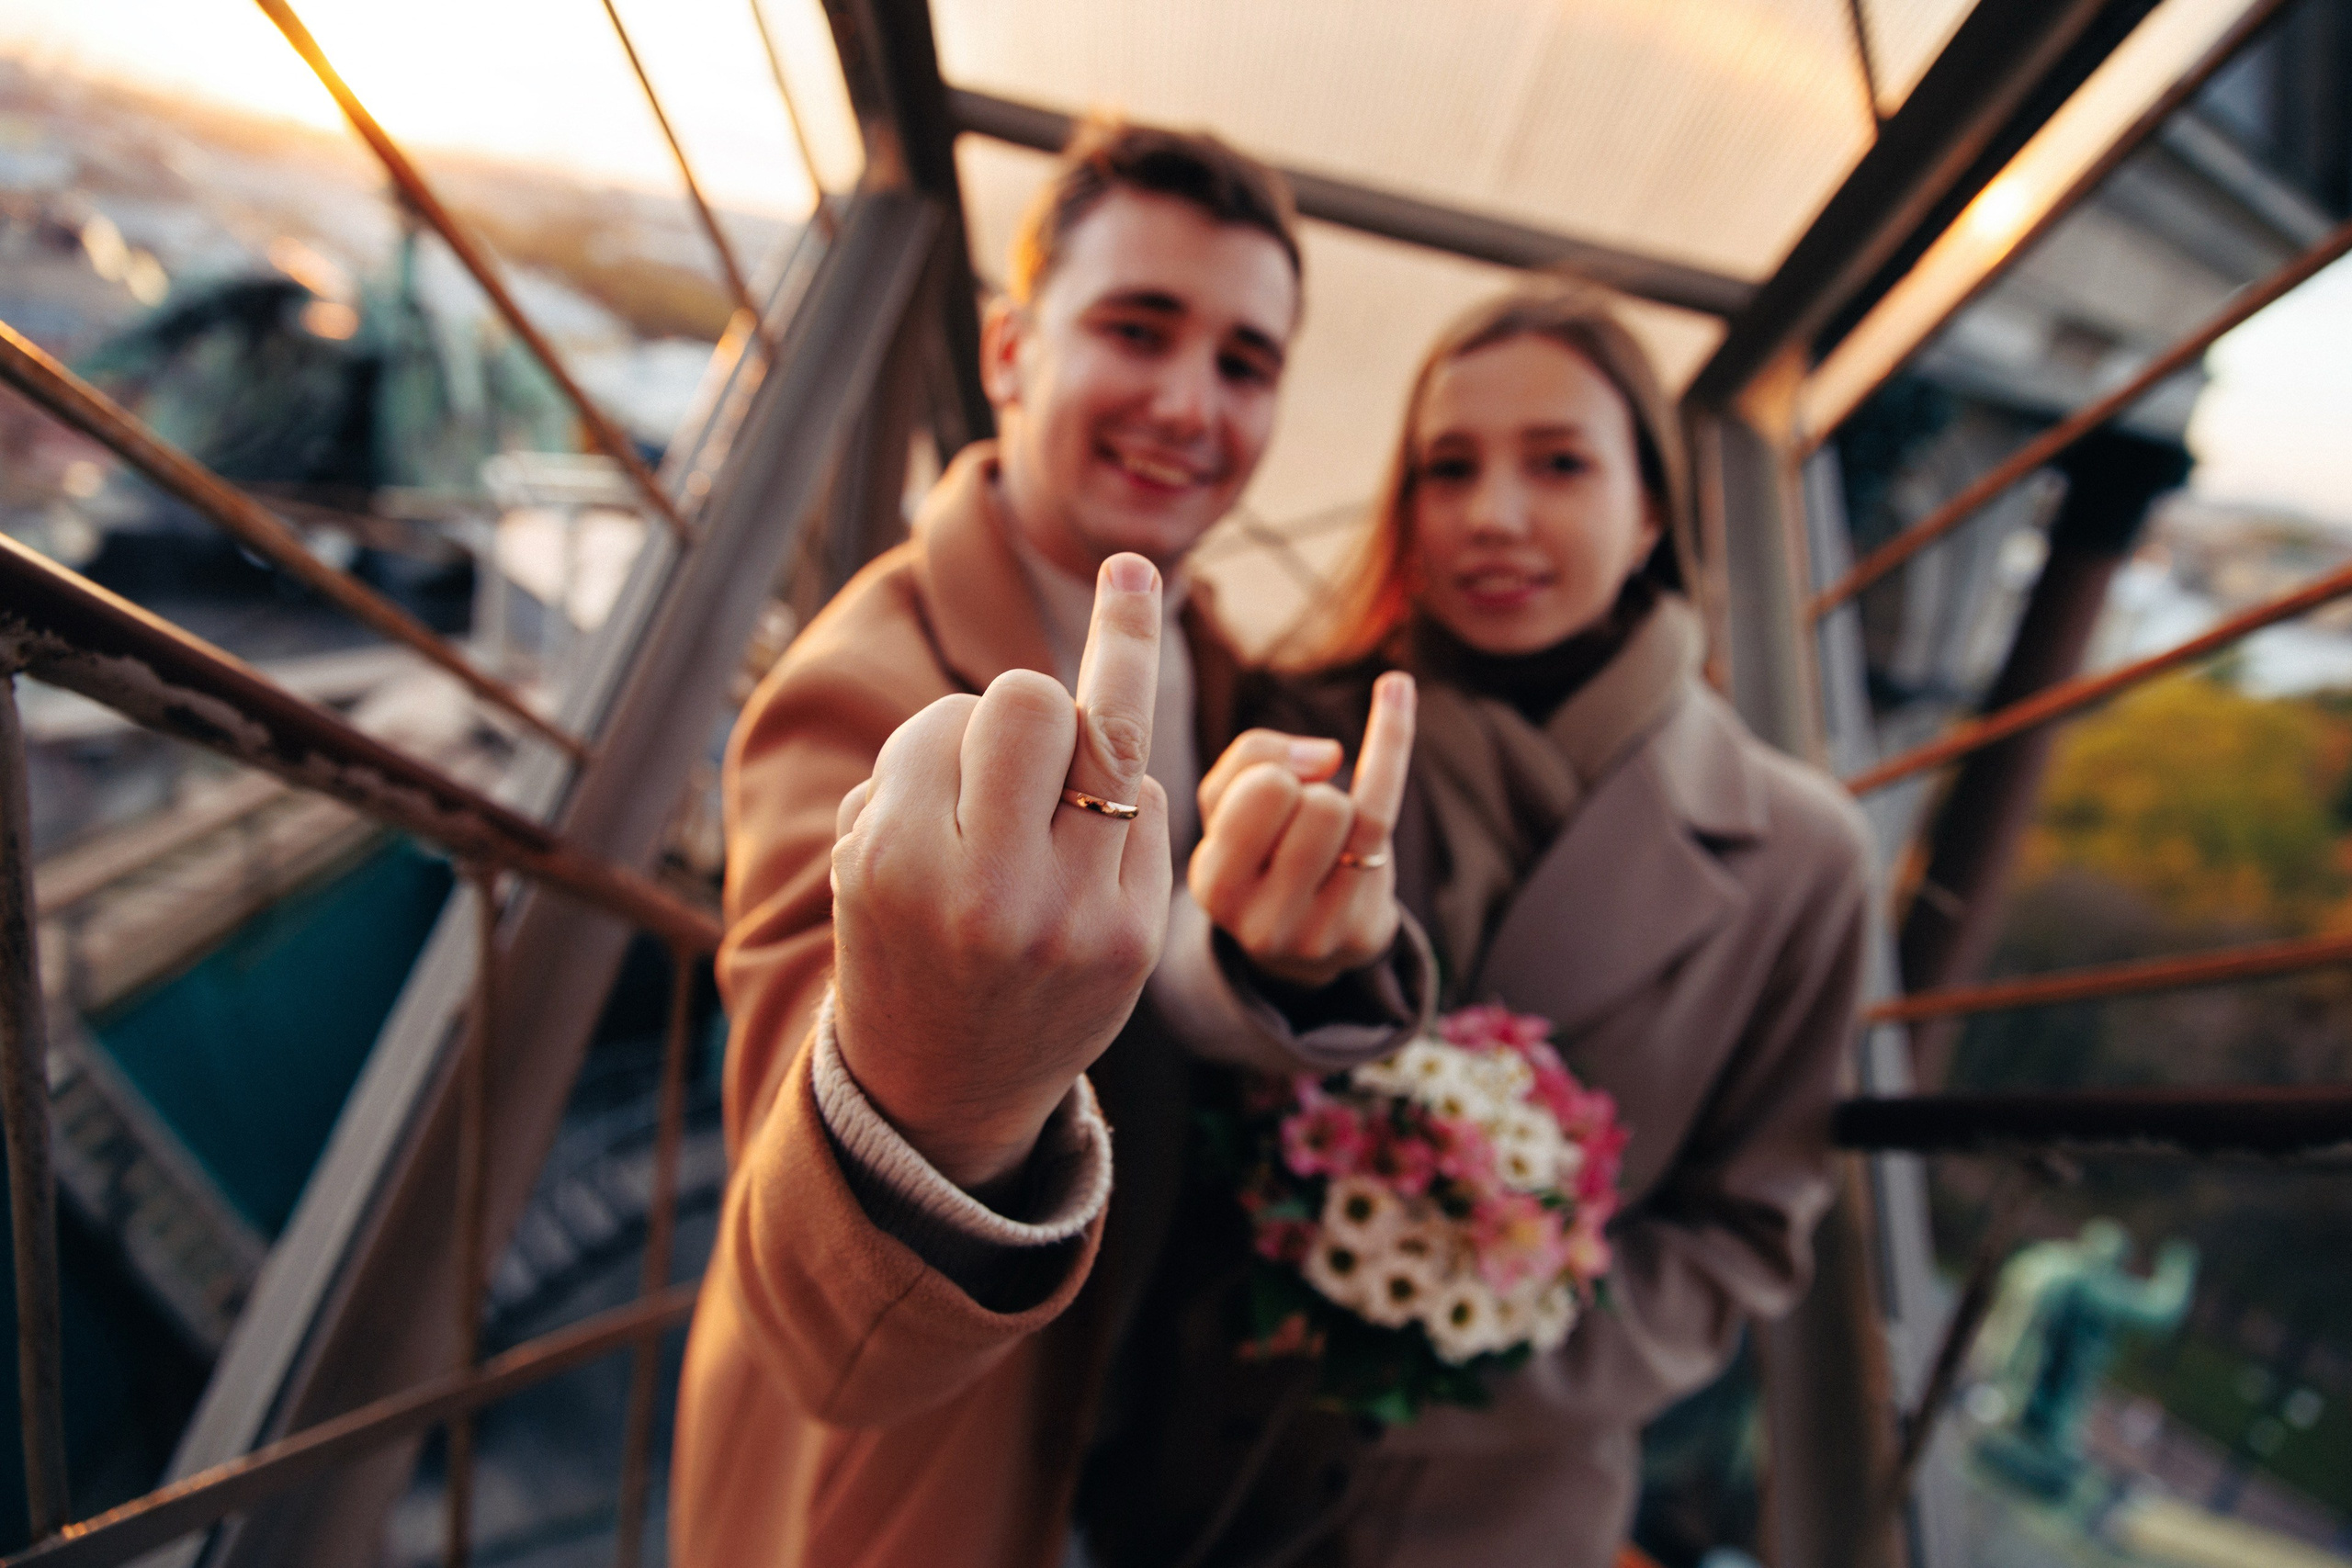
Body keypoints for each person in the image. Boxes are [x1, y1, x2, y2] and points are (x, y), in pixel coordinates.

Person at [670, 119, 1437, 1566]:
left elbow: (1155, 983)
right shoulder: (863, 693)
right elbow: (819, 1316)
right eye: (1137, 330)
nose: (1188, 404)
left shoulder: (1218, 662)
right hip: (915, 1500)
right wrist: (941, 1084)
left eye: (1244, 362)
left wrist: (1278, 961)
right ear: (1011, 352)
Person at [1143, 281, 1876, 1563]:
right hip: (1208, 1464)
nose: (1492, 514)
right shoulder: (1295, 730)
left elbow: (1748, 1226)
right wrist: (1257, 961)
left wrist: (1460, 1334)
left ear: (1651, 510)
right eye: (1449, 468)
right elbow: (1168, 1005)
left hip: (1508, 1509)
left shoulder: (1804, 858)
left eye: (1558, 463)